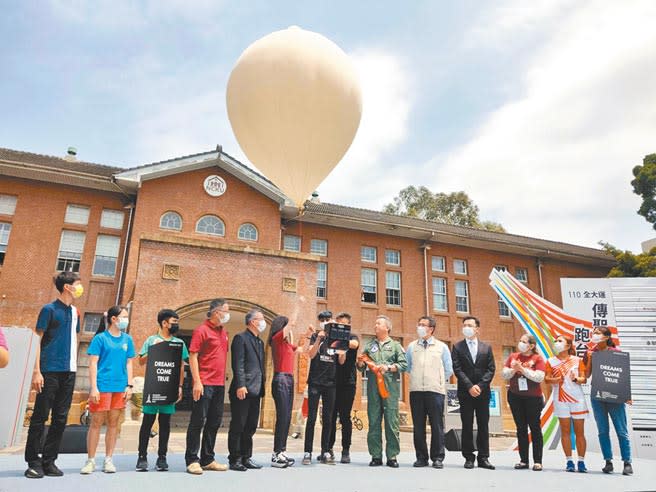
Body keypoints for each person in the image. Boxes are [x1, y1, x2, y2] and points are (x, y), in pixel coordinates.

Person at [24, 272, 83, 479]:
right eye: (77, 284)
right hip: (49, 371)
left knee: (60, 418)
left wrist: (73, 367)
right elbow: (37, 341)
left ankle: (49, 461)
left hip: (69, 371)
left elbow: (73, 340)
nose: (79, 287)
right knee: (40, 416)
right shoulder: (48, 310)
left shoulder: (76, 312)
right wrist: (36, 371)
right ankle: (33, 461)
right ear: (67, 287)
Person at [81, 305, 136, 474]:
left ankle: (108, 459)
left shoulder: (127, 339)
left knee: (113, 424)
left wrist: (130, 385)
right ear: (114, 319)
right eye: (124, 316)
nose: (126, 320)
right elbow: (93, 363)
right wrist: (94, 388)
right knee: (96, 423)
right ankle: (90, 460)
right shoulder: (100, 339)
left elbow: (129, 363)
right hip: (103, 386)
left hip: (120, 387)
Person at [136, 309, 189, 472]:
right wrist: (154, 349)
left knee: (165, 424)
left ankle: (162, 457)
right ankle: (142, 456)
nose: (176, 325)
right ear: (164, 323)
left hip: (169, 388)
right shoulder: (151, 340)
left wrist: (180, 386)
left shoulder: (179, 343)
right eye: (174, 322)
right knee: (147, 423)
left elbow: (182, 366)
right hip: (153, 388)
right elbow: (141, 362)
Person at [185, 298, 231, 475]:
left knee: (214, 422)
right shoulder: (201, 330)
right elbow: (193, 356)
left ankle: (207, 459)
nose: (228, 314)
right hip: (204, 384)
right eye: (226, 311)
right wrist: (197, 381)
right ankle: (192, 460)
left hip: (219, 384)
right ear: (216, 312)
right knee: (197, 422)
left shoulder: (224, 332)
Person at [357, 315, 407, 468]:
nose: (375, 326)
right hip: (373, 390)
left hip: (389, 390)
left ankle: (392, 456)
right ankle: (376, 455)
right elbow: (361, 367)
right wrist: (359, 362)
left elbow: (404, 365)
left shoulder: (396, 345)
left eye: (378, 323)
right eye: (375, 323)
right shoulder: (369, 345)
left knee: (392, 422)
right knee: (374, 422)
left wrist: (389, 368)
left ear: (387, 328)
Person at [585, 326, 633, 476]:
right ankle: (608, 462)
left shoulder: (617, 353)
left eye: (598, 333)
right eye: (594, 333)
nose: (595, 335)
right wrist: (590, 359)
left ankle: (627, 462)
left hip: (615, 397)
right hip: (598, 396)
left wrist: (627, 395)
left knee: (621, 430)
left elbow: (623, 375)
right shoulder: (592, 353)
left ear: (606, 337)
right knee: (603, 430)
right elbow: (586, 375)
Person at [406, 316, 453, 469]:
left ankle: (437, 457)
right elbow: (408, 367)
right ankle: (421, 457)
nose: (419, 327)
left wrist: (437, 381)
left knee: (437, 425)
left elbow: (448, 369)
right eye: (418, 324)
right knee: (418, 426)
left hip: (435, 392)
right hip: (417, 391)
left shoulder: (442, 347)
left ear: (431, 329)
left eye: (423, 325)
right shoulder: (412, 346)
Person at [451, 315, 496, 470]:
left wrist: (480, 386)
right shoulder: (457, 347)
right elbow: (457, 369)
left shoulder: (486, 347)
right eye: (464, 325)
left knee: (483, 425)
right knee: (467, 424)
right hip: (465, 392)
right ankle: (469, 457)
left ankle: (484, 457)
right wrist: (470, 386)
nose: (467, 328)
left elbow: (491, 369)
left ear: (477, 329)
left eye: (470, 325)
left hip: (483, 394)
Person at [302, 310, 346, 465]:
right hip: (315, 382)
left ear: (332, 320)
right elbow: (311, 354)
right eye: (322, 319)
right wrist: (318, 338)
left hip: (330, 383)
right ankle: (307, 452)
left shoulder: (338, 337)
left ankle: (325, 451)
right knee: (312, 418)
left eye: (327, 319)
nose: (324, 321)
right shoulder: (316, 336)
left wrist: (342, 352)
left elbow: (341, 361)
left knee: (328, 419)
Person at [268, 315, 311, 468]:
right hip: (281, 380)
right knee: (282, 417)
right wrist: (298, 306)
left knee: (286, 417)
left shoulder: (287, 344)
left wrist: (308, 337)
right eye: (287, 328)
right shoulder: (277, 339)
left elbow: (302, 350)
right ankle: (276, 454)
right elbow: (290, 324)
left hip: (289, 380)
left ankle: (282, 451)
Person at [228, 309, 267, 471]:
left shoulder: (259, 342)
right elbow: (238, 364)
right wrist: (240, 384)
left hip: (256, 390)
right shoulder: (240, 338)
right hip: (242, 389)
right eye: (261, 319)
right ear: (253, 321)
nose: (263, 322)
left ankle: (246, 457)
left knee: (251, 425)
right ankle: (235, 458)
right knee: (239, 424)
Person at [544, 335, 588, 472]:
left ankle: (581, 461)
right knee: (565, 431)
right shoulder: (551, 361)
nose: (556, 343)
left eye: (559, 341)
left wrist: (577, 379)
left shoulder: (577, 360)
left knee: (580, 432)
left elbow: (584, 379)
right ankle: (569, 461)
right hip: (560, 398)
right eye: (555, 340)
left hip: (577, 398)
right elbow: (547, 379)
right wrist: (557, 379)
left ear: (568, 346)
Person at [502, 334, 546, 471]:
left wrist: (523, 370)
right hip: (515, 396)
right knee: (521, 428)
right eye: (520, 341)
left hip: (533, 398)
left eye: (524, 342)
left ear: (531, 346)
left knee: (535, 428)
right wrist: (514, 369)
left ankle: (537, 461)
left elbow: (539, 377)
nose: (520, 343)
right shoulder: (513, 356)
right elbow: (504, 374)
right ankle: (523, 460)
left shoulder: (537, 358)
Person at [328, 312, 359, 464]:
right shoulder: (331, 339)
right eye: (338, 324)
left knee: (345, 417)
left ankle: (345, 450)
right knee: (331, 416)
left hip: (348, 383)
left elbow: (354, 345)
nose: (341, 327)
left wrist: (341, 335)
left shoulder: (352, 337)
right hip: (332, 383)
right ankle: (328, 449)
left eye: (344, 325)